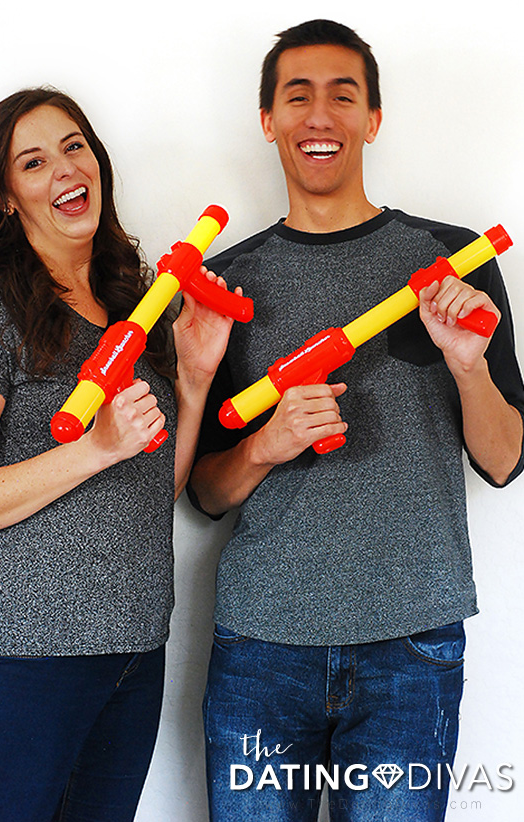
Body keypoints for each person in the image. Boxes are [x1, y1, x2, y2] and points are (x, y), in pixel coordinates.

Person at [188, 19, 524, 822]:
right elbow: (202, 494)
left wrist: (466, 365)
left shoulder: (453, 261)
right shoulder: (226, 283)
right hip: (260, 645)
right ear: (267, 120)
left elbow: (506, 460)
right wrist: (266, 445)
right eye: (296, 95)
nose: (319, 115)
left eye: (344, 95)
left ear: (373, 120)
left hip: (413, 644)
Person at [0, 87, 240, 822]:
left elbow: (154, 488)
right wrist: (92, 449)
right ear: (4, 197)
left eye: (74, 146)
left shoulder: (139, 301)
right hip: (26, 652)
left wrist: (191, 376)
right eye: (33, 161)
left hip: (134, 648)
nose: (64, 168)